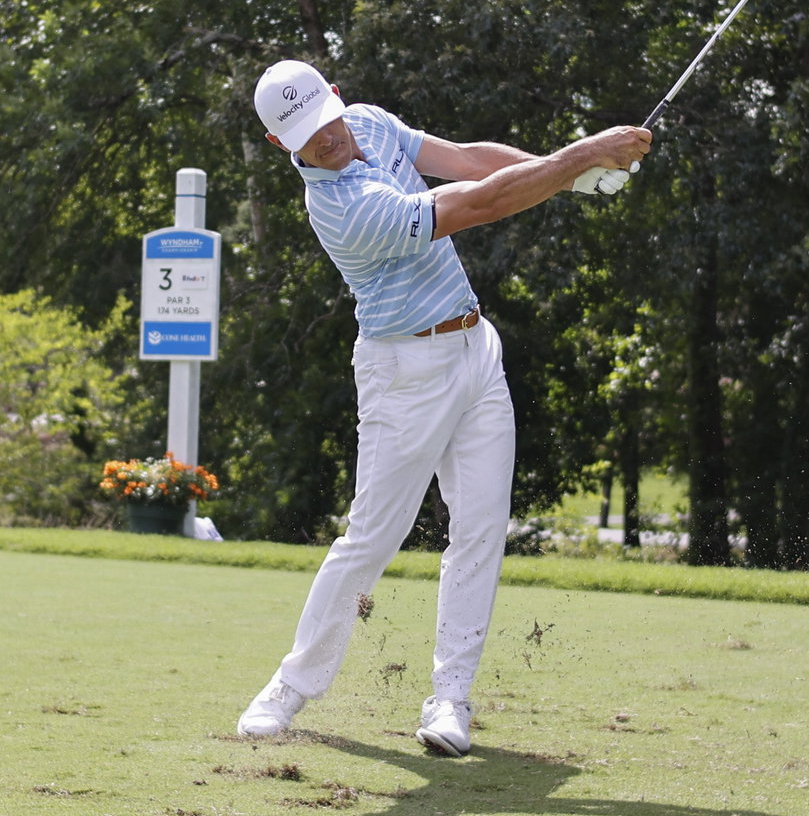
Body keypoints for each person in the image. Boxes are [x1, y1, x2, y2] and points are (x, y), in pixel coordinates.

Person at [237, 59, 651, 756]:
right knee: (371, 537)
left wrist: (572, 177)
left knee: (482, 529)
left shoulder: (366, 120)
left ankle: (450, 698)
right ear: (282, 146)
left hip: (474, 349)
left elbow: (464, 161)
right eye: (305, 135)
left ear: (337, 97)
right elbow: (477, 204)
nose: (327, 139)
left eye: (327, 117)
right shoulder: (340, 207)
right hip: (405, 374)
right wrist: (581, 156)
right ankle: (292, 684)